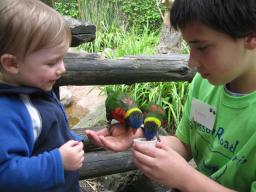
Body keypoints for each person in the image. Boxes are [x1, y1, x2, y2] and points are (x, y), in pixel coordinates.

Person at [86, 0, 256, 191]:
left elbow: (187, 177)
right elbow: (184, 144)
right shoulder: (204, 84)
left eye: (201, 47)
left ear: (250, 36)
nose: (191, 61)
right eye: (189, 47)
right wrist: (142, 138)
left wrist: (186, 179)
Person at [0, 0, 84, 191]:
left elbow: (49, 134)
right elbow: (5, 174)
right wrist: (57, 162)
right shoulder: (6, 113)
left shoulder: (36, 92)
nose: (62, 69)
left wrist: (79, 140)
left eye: (63, 59)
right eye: (52, 62)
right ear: (12, 63)